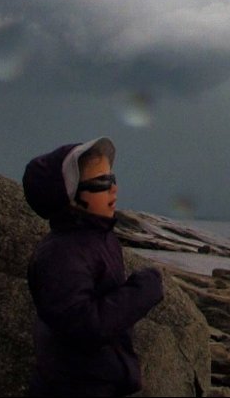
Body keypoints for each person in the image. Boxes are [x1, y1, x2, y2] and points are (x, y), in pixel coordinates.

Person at [22, 137, 163, 396]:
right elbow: (84, 325)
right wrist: (142, 291)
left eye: (113, 179)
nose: (113, 189)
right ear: (71, 198)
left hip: (101, 382)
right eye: (101, 183)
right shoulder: (61, 255)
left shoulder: (100, 236)